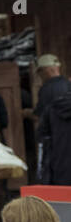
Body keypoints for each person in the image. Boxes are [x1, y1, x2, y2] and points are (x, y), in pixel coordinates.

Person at [35, 54, 71, 184]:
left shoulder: (46, 90)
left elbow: (41, 121)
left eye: (41, 72)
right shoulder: (67, 85)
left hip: (56, 150)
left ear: (47, 70)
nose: (41, 76)